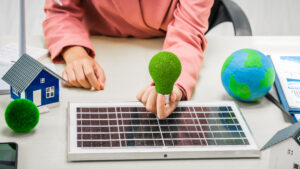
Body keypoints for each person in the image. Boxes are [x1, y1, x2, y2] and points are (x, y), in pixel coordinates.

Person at [43, 0, 213, 119]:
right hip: (96, 43)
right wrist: (75, 54)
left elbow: (187, 32)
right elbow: (60, 11)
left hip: (166, 43)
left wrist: (172, 86)